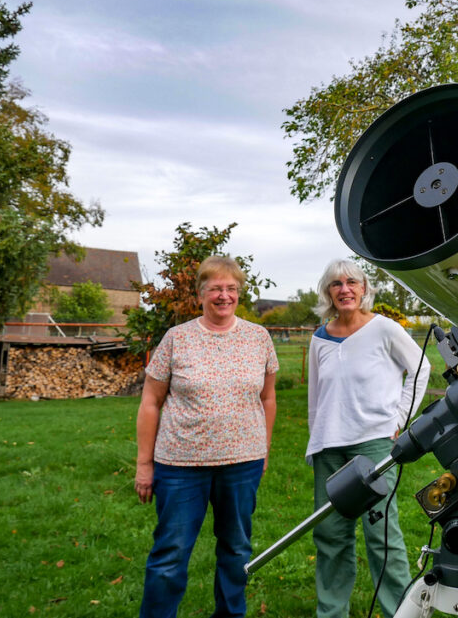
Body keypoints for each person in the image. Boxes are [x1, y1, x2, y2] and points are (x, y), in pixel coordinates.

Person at [134, 255, 278, 618]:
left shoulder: (258, 337)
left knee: (236, 551)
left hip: (242, 463)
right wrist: (143, 464)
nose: (224, 296)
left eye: (231, 289)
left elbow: (268, 397)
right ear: (201, 293)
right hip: (181, 466)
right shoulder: (177, 339)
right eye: (216, 288)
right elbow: (151, 401)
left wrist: (263, 450)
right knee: (171, 553)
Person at [306, 258, 428, 618]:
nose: (344, 289)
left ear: (363, 289)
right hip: (329, 447)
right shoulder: (319, 338)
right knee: (330, 535)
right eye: (336, 284)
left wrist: (401, 419)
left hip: (373, 444)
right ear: (328, 292)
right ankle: (331, 612)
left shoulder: (384, 329)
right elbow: (316, 396)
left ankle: (399, 611)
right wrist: (315, 439)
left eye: (352, 282)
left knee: (382, 536)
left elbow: (421, 368)